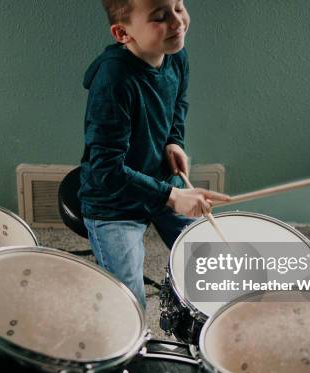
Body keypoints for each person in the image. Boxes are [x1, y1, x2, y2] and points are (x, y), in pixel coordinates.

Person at [79, 0, 231, 307]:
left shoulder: (175, 54)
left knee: (213, 262)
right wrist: (173, 197)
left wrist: (174, 141)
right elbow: (106, 171)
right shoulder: (113, 82)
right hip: (114, 203)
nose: (177, 22)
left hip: (159, 180)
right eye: (160, 16)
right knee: (129, 304)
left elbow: (178, 105)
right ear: (123, 33)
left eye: (178, 6)